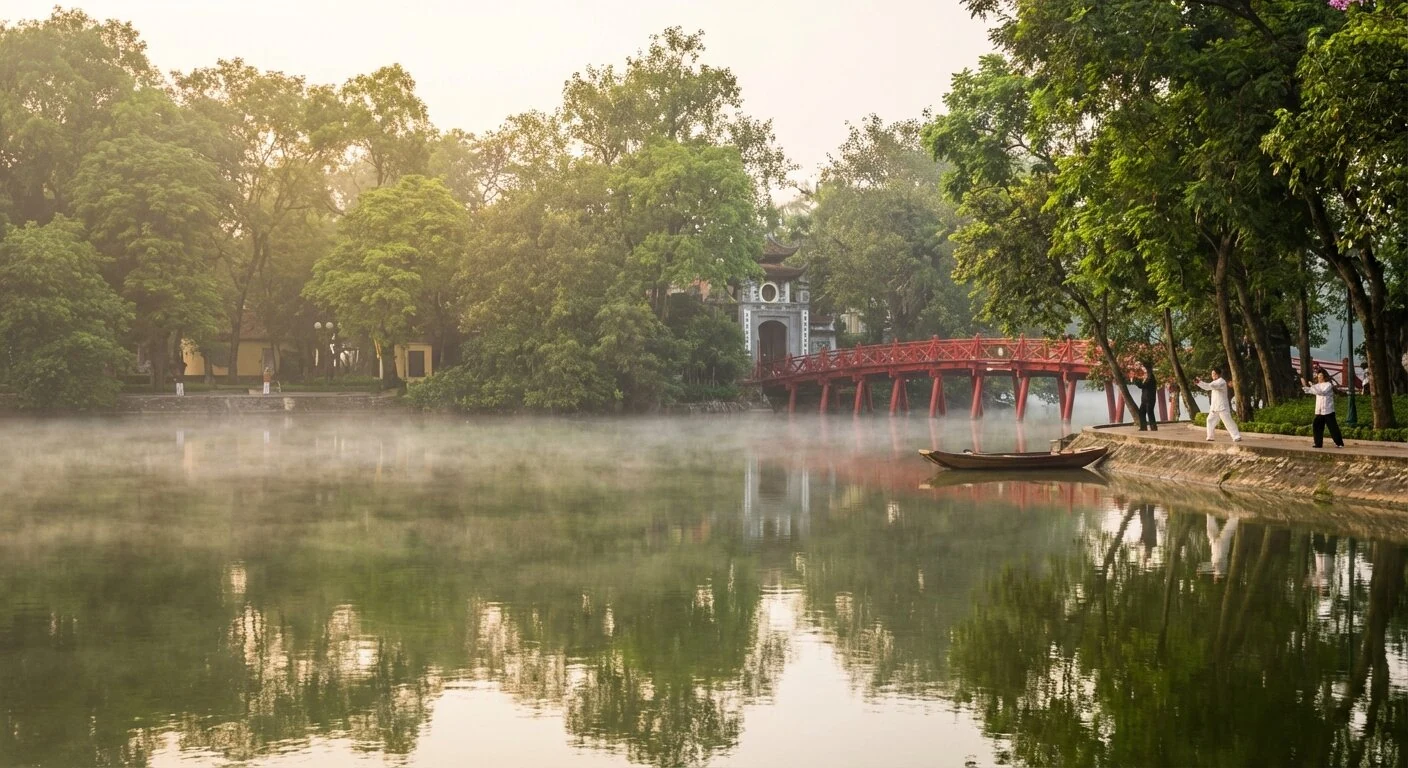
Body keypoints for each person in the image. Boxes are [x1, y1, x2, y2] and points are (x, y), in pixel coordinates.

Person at [1195, 366, 1242, 442]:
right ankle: (1210, 437)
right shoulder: (1214, 382)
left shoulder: (1221, 382)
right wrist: (1198, 382)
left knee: (1228, 422)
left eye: (1213, 373)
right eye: (1212, 374)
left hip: (1222, 407)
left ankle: (1236, 436)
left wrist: (1200, 382)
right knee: (1209, 420)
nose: (1212, 375)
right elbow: (1208, 387)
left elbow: (1211, 386)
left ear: (1218, 374)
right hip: (1214, 407)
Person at [1303, 368, 1344, 448]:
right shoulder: (1317, 385)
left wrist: (1312, 386)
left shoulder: (1328, 385)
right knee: (1316, 425)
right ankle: (1318, 444)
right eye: (1318, 375)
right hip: (1319, 411)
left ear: (1324, 376)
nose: (1319, 377)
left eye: (1321, 375)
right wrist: (1306, 387)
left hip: (1328, 410)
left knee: (1333, 427)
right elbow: (1311, 391)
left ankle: (1339, 443)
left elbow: (1322, 392)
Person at [1138, 361, 1159, 431]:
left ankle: (1153, 427)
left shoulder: (1151, 377)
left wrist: (1136, 381)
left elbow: (1143, 385)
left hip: (1150, 399)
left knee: (1150, 412)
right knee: (1141, 412)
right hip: (1144, 399)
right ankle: (1144, 427)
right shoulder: (1147, 377)